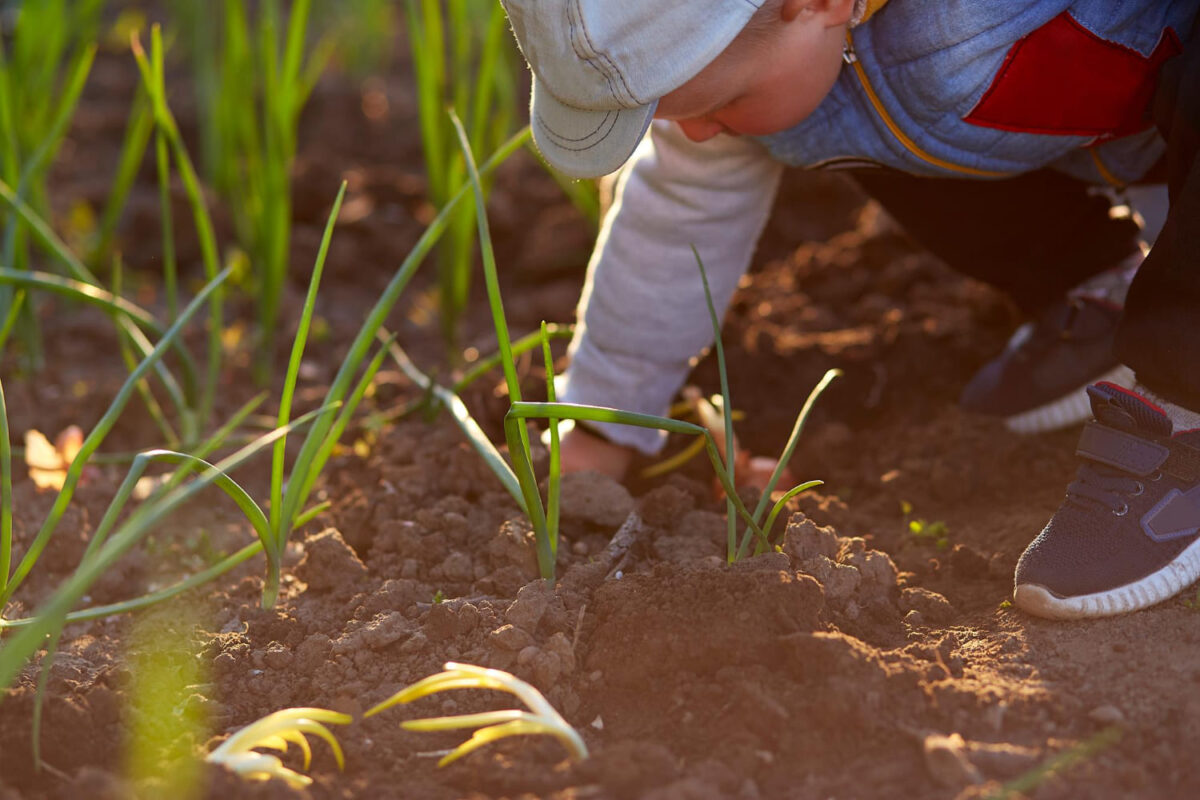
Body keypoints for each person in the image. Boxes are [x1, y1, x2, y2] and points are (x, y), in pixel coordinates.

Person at [497, 0, 1200, 619]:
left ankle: (1185, 402)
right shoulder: (743, 61)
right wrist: (602, 419)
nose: (701, 132)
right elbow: (675, 214)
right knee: (845, 121)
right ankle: (1102, 284)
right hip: (1061, 123)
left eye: (717, 105)